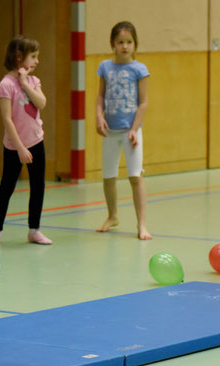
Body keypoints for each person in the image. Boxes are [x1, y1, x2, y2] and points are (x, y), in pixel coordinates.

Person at [0, 35, 51, 246]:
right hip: (15, 145)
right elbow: (7, 119)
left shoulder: (33, 81)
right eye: (33, 56)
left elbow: (41, 103)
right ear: (19, 57)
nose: (37, 61)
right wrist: (20, 148)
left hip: (36, 141)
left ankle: (34, 230)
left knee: (38, 186)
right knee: (7, 186)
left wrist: (25, 83)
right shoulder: (5, 85)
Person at [95, 21, 152, 240]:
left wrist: (134, 128)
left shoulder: (140, 69)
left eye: (129, 42)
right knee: (108, 176)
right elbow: (100, 96)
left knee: (135, 176)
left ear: (135, 44)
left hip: (131, 132)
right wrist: (99, 117)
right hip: (110, 131)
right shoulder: (105, 67)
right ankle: (112, 216)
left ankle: (142, 225)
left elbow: (143, 102)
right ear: (112, 44)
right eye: (120, 42)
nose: (125, 46)